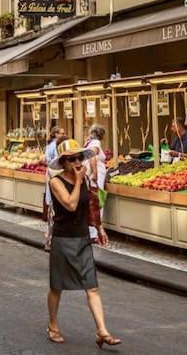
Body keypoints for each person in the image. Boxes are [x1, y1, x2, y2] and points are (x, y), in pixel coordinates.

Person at [46, 139, 119, 348]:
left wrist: (100, 227)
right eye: (72, 159)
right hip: (63, 239)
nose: (77, 162)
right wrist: (77, 181)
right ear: (64, 163)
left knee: (92, 287)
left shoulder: (85, 179)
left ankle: (102, 331)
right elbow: (70, 204)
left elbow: (90, 206)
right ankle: (52, 324)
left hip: (82, 238)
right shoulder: (56, 182)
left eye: (79, 158)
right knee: (56, 287)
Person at [44, 126, 68, 250]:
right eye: (62, 132)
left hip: (55, 191)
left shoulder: (50, 147)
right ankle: (52, 241)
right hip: (56, 191)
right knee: (54, 217)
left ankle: (51, 240)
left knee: (53, 216)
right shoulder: (55, 161)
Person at [84, 126, 108, 241]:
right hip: (96, 178)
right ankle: (94, 234)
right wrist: (95, 172)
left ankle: (91, 231)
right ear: (101, 135)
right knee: (96, 203)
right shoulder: (96, 143)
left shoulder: (88, 142)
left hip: (92, 177)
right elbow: (91, 155)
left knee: (92, 202)